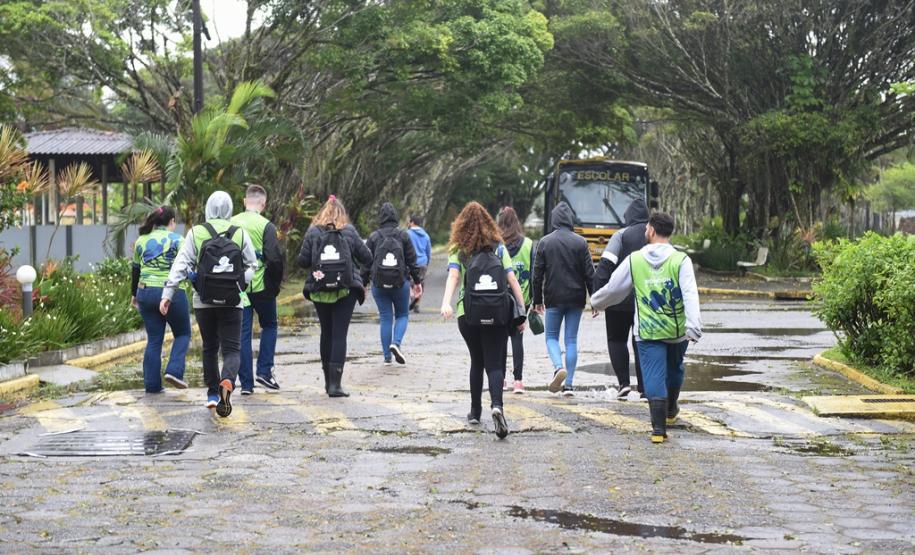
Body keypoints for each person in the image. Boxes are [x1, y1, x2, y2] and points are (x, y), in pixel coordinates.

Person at [591, 212, 702, 444]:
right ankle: (671, 409)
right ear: (669, 232)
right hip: (677, 330)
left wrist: (596, 302)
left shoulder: (634, 260)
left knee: (653, 375)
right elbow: (690, 294)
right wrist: (693, 327)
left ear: (651, 230)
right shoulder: (681, 260)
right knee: (675, 370)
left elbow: (614, 289)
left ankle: (658, 429)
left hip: (648, 331)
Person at [160, 191, 258, 417]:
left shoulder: (196, 232)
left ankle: (213, 394)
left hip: (203, 301)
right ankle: (228, 380)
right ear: (230, 209)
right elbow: (253, 265)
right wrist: (240, 282)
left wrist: (168, 294)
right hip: (233, 301)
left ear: (208, 208)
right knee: (232, 348)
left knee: (210, 347)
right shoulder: (240, 233)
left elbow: (181, 265)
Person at [440, 201, 526, 439]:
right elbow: (512, 280)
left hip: (467, 314)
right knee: (495, 364)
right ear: (489, 222)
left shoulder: (458, 248)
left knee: (476, 361)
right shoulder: (499, 247)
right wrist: (521, 310)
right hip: (497, 314)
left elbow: (454, 276)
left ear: (461, 224)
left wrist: (446, 302)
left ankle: (475, 411)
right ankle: (497, 406)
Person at [296, 196, 373, 397]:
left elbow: (302, 261)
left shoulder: (313, 232)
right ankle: (335, 385)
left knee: (326, 333)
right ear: (342, 213)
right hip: (345, 289)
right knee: (340, 334)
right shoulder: (349, 231)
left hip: (320, 288)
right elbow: (368, 257)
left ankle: (327, 382)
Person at [531, 201, 594, 396]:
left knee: (551, 336)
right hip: (576, 298)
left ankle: (559, 367)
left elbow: (537, 275)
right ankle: (569, 385)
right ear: (570, 220)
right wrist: (595, 300)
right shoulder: (581, 242)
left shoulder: (545, 242)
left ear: (554, 220)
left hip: (553, 297)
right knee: (571, 340)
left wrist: (537, 300)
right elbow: (590, 274)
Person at [231, 184, 285, 395]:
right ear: (263, 204)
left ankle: (246, 384)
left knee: (242, 334)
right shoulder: (267, 226)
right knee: (269, 325)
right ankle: (264, 371)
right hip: (261, 285)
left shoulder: (231, 223)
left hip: (238, 287)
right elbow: (275, 259)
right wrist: (274, 285)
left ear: (245, 202)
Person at [131, 206, 191, 393]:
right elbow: (186, 267)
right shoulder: (178, 240)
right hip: (171, 292)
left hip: (145, 292)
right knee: (182, 333)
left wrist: (134, 295)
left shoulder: (141, 241)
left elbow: (136, 270)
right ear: (172, 221)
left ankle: (152, 386)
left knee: (154, 339)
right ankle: (174, 371)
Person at [593, 199, 649, 400]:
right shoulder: (653, 235)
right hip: (646, 301)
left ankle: (624, 384)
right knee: (641, 341)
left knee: (616, 340)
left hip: (618, 299)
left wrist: (597, 297)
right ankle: (644, 388)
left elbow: (605, 266)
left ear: (628, 216)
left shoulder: (621, 235)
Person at [364, 203, 423, 365]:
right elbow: (412, 261)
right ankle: (396, 344)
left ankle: (387, 357)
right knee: (402, 314)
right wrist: (417, 282)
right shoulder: (403, 235)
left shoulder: (374, 237)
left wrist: (363, 283)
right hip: (400, 283)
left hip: (378, 284)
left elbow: (366, 263)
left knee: (385, 317)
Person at [496, 206, 534, 394]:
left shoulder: (496, 245)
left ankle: (501, 379)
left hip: (500, 300)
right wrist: (534, 301)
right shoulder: (528, 244)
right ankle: (518, 381)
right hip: (522, 300)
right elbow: (534, 274)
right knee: (517, 338)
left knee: (501, 339)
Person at [407, 214, 432, 313]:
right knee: (420, 283)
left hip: (410, 262)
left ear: (412, 222)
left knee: (409, 281)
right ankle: (417, 304)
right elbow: (428, 251)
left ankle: (412, 296)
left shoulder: (407, 234)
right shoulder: (426, 235)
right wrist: (427, 262)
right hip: (422, 262)